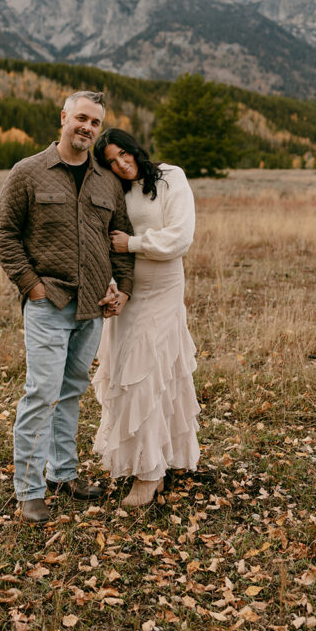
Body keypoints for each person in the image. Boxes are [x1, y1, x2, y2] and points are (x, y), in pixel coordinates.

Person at [0, 92, 134, 523]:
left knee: (71, 391)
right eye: (81, 118)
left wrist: (122, 289)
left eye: (95, 122)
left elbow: (121, 239)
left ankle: (64, 474)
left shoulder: (106, 180)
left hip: (92, 308)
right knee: (42, 394)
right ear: (64, 118)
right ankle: (30, 491)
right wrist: (31, 287)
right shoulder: (28, 173)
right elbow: (5, 235)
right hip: (48, 302)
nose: (87, 128)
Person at [92, 128, 200, 507]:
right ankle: (150, 457)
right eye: (111, 161)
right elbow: (105, 241)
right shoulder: (113, 189)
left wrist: (134, 243)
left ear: (134, 148)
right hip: (126, 291)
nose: (121, 164)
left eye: (124, 154)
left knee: (151, 376)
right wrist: (111, 282)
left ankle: (149, 475)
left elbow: (180, 238)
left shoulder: (171, 177)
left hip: (163, 290)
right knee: (127, 374)